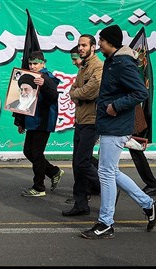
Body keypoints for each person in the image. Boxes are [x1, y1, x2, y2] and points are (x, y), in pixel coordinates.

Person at [81, 25, 156, 239]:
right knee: (111, 171)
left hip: (116, 126)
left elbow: (140, 92)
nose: (99, 45)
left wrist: (115, 106)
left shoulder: (123, 63)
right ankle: (149, 205)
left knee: (106, 173)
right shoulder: (113, 61)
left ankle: (106, 223)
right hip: (110, 125)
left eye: (101, 41)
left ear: (110, 42)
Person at [62, 35, 102, 216]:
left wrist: (77, 93)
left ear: (93, 47)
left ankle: (107, 187)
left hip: (92, 121)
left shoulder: (98, 66)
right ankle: (80, 203)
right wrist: (77, 93)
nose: (81, 48)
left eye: (84, 45)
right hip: (80, 120)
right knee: (77, 164)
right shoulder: (83, 67)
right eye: (79, 45)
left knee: (82, 162)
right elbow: (73, 90)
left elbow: (91, 91)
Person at [14, 51, 64, 197]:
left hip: (43, 120)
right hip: (31, 121)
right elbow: (22, 101)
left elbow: (54, 97)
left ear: (43, 63)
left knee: (36, 153)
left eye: (35, 63)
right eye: (30, 63)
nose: (32, 66)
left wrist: (45, 84)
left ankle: (39, 187)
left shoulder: (48, 77)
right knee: (28, 152)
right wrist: (20, 121)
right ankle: (53, 172)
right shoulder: (28, 76)